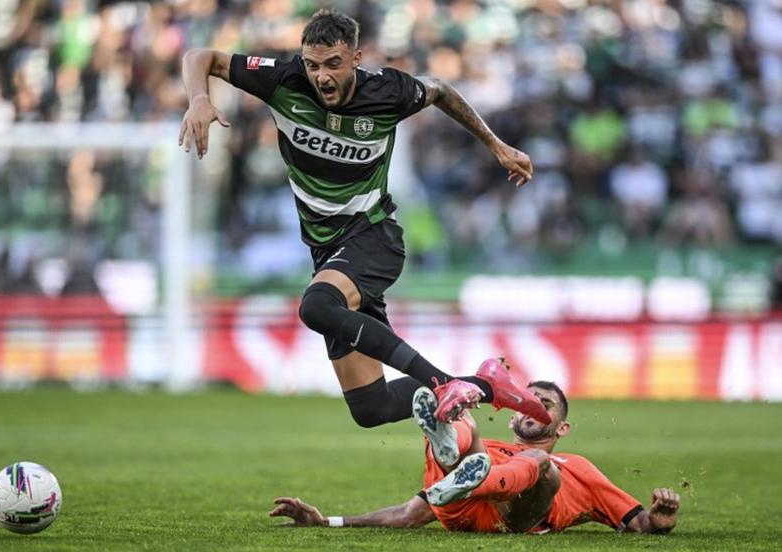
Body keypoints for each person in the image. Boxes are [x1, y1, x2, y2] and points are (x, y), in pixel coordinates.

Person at [179, 10, 548, 427]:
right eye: (313, 65)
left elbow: (441, 90)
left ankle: (443, 383)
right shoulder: (283, 80)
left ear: (355, 58)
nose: (321, 76)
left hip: (374, 238)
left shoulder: (387, 91)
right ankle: (486, 385)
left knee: (316, 306)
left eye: (333, 64)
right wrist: (199, 98)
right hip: (328, 255)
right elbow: (200, 55)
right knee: (372, 409)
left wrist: (497, 145)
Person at [269, 381, 681, 535]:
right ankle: (447, 438)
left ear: (562, 427)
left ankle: (456, 462)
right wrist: (329, 522)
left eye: (545, 403)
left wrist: (659, 520)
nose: (533, 405)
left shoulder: (580, 468)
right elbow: (409, 514)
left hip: (514, 518)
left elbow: (638, 523)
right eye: (526, 399)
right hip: (464, 506)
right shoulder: (497, 450)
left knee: (541, 466)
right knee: (465, 420)